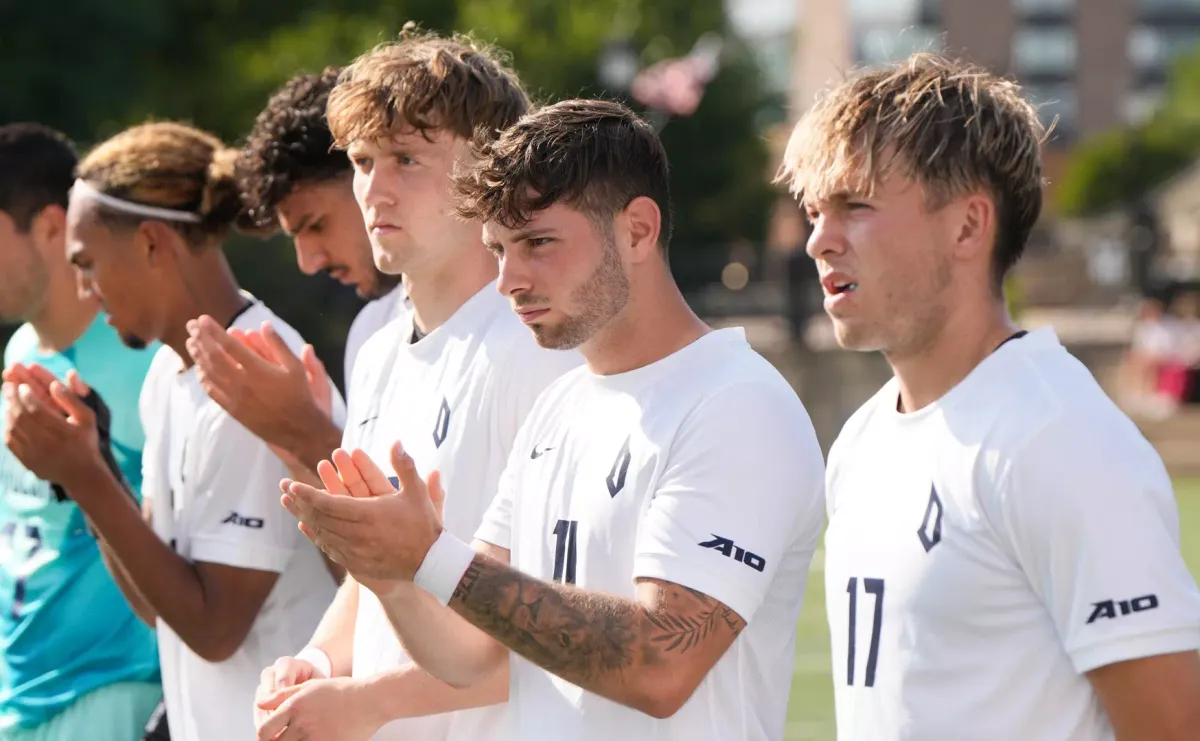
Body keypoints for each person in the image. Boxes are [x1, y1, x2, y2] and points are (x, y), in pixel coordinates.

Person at [279, 98, 827, 741]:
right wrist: (392, 576)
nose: (510, 279)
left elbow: (660, 665)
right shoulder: (558, 407)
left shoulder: (736, 405)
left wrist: (430, 557)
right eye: (499, 248)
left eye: (539, 243)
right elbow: (468, 653)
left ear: (638, 231)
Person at [776, 52, 1200, 740]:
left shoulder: (1059, 438)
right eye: (815, 211)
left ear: (969, 226)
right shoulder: (860, 440)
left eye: (855, 205)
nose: (820, 240)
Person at [249, 28, 584, 741]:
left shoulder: (537, 347)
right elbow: (376, 571)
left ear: (490, 171)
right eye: (365, 161)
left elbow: (566, 634)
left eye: (407, 158)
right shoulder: (376, 346)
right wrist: (317, 659)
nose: (376, 187)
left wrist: (371, 700)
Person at [1, 121, 338, 741]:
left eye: (88, 263)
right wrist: (90, 465)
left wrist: (86, 476)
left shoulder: (255, 369)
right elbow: (157, 609)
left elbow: (214, 629)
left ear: (153, 243)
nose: (82, 288)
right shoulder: (165, 371)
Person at [0, 124, 162, 741]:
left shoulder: (144, 358)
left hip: (113, 690)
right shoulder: (20, 348)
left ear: (46, 226)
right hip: (21, 699)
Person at [186, 67, 409, 509]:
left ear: (364, 173)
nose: (309, 263)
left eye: (316, 226)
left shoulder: (520, 321)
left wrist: (304, 431)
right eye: (296, 237)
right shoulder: (373, 331)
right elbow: (362, 568)